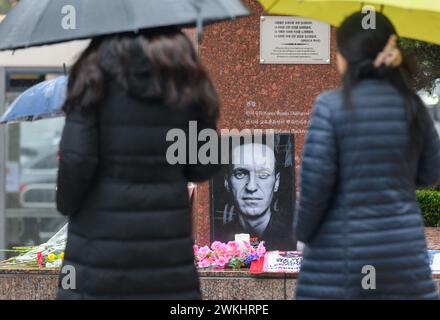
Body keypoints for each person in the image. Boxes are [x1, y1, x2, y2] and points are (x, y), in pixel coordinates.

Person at [56, 28, 221, 299]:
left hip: (97, 258)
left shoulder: (92, 74)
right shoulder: (186, 77)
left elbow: (76, 163)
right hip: (167, 259)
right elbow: (204, 166)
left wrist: (66, 203)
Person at [295, 12, 440, 300]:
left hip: (339, 258)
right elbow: (430, 174)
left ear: (346, 57)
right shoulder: (413, 106)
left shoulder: (331, 107)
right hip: (402, 253)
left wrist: (302, 232)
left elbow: (316, 188)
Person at [218, 140, 296, 250]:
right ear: (227, 182)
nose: (251, 187)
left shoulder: (295, 237)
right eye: (240, 174)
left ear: (276, 182)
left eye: (263, 174)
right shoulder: (217, 240)